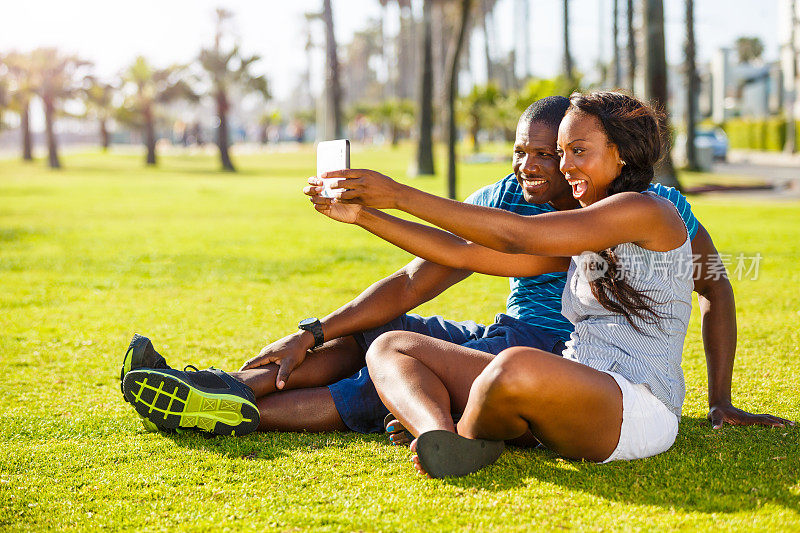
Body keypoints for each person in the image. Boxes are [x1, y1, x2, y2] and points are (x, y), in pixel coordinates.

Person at [120, 95, 790, 439]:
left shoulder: (645, 208)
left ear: (589, 153)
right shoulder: (514, 195)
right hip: (506, 334)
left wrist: (720, 398)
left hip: (557, 355)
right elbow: (438, 266)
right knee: (367, 339)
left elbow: (717, 284)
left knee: (388, 369)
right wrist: (316, 327)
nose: (531, 167)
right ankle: (222, 387)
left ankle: (244, 414)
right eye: (524, 151)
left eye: (553, 154)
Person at [307, 91, 793, 477]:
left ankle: (465, 430)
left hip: (635, 407)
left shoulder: (647, 210)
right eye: (562, 153)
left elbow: (515, 232)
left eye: (578, 151)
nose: (564, 167)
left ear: (622, 155)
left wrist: (397, 194)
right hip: (570, 392)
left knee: (515, 365)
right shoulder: (585, 229)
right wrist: (364, 215)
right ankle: (445, 438)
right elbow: (463, 252)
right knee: (392, 347)